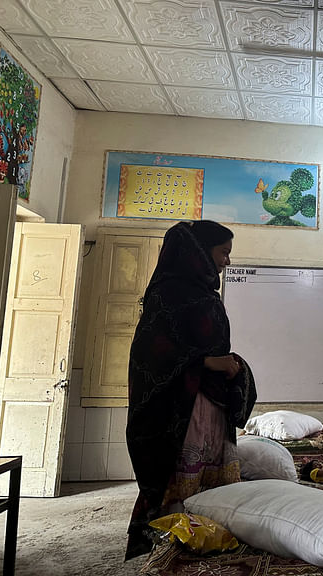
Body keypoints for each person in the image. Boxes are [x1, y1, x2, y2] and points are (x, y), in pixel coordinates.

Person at [125, 220, 257, 560]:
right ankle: (178, 551)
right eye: (223, 252)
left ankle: (211, 539)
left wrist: (229, 365)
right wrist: (209, 363)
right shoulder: (168, 294)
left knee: (211, 482)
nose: (227, 261)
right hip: (183, 408)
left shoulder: (203, 293)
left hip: (210, 403)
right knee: (182, 483)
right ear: (199, 252)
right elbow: (151, 355)